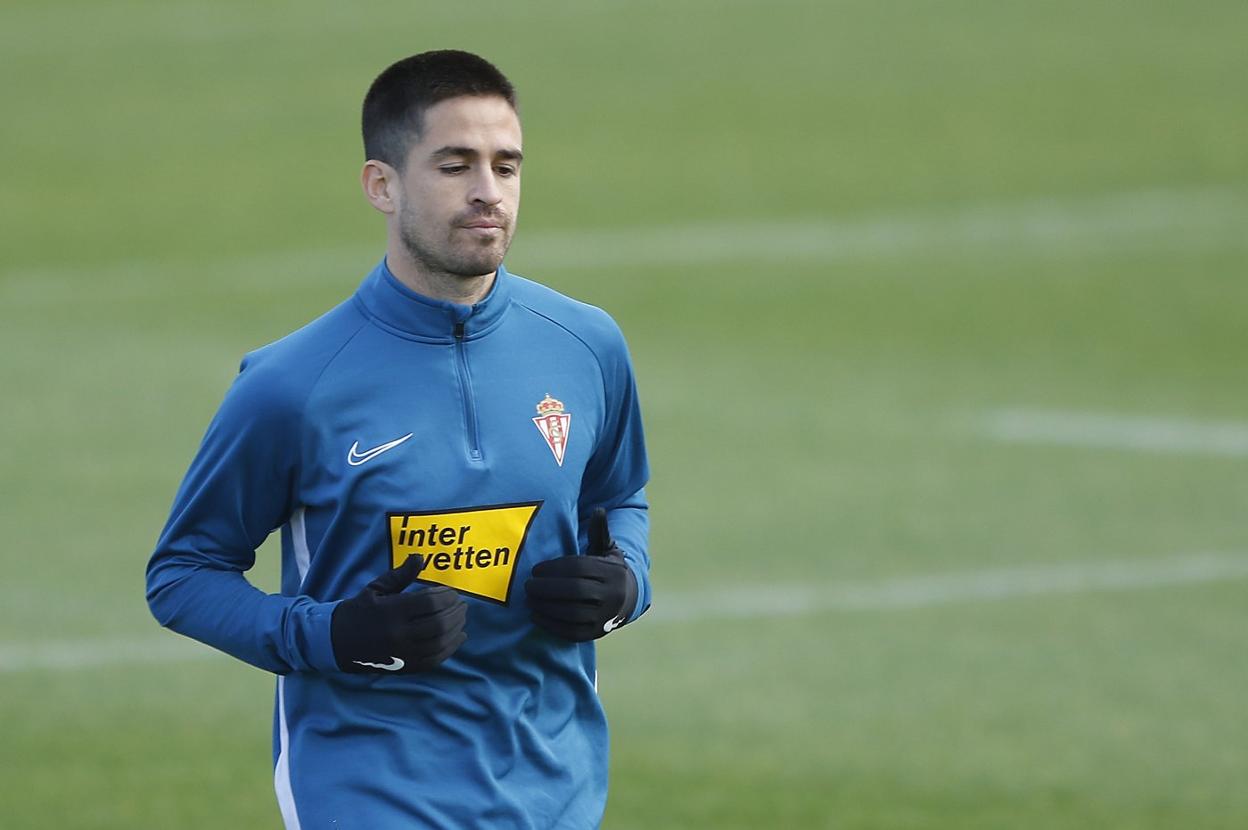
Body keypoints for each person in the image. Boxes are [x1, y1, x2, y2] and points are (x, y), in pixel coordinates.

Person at [145, 50, 651, 829]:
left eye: (506, 166)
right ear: (381, 185)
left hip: (555, 784)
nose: (488, 192)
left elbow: (619, 498)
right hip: (366, 786)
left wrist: (625, 586)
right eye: (455, 166)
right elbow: (183, 573)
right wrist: (334, 634)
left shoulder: (586, 346)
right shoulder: (292, 385)